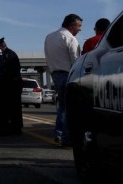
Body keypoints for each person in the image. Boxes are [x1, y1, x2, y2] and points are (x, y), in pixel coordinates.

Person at [44, 13, 83, 146]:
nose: (80, 29)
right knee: (70, 107)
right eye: (79, 26)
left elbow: (47, 57)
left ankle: (59, 133)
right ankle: (66, 138)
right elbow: (76, 61)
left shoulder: (49, 37)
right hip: (68, 74)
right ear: (72, 26)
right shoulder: (71, 39)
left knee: (63, 107)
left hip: (55, 73)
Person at [0, 37, 23, 132]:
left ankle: (15, 127)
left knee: (13, 107)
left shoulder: (8, 54)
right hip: (13, 83)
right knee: (13, 107)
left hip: (12, 84)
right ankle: (14, 126)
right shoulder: (9, 53)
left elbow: (6, 70)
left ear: (1, 46)